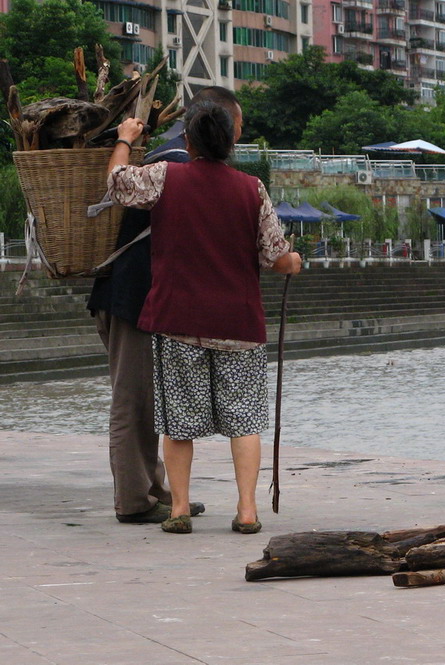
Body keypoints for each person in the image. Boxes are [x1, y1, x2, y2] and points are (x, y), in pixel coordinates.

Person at [106, 102, 301, 534]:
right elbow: (275, 257)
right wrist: (295, 261)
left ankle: (177, 509)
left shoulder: (164, 177)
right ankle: (247, 510)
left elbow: (118, 184)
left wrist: (124, 139)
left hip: (179, 319)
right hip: (239, 324)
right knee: (244, 420)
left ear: (188, 141)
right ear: (231, 142)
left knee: (178, 422)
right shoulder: (253, 189)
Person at [87, 87, 243, 524]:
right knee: (133, 401)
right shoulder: (172, 164)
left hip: (146, 300)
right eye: (237, 127)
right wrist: (123, 140)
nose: (237, 136)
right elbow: (117, 184)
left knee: (147, 400)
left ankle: (156, 491)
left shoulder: (174, 161)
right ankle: (135, 501)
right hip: (131, 298)